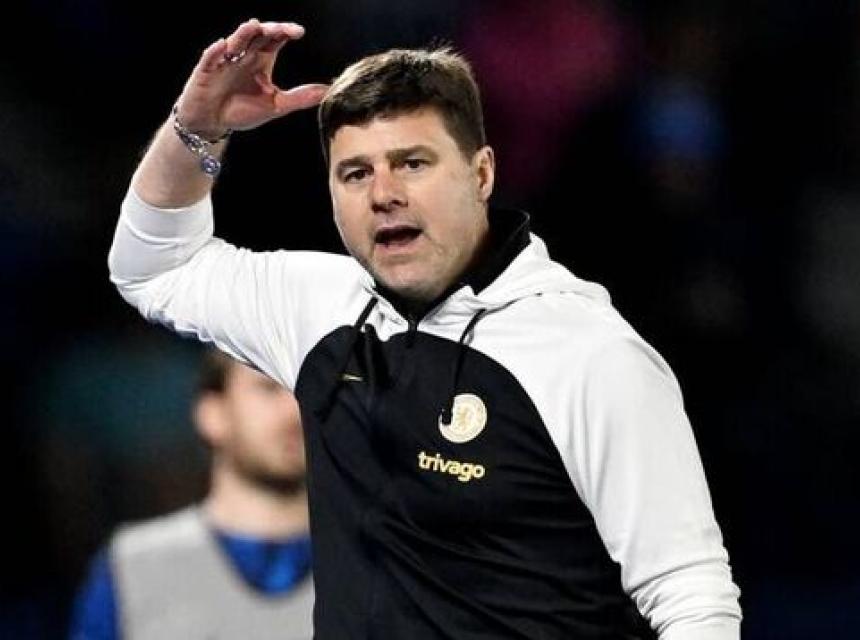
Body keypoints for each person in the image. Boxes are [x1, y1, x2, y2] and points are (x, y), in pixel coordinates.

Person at [108, 18, 742, 639]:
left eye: (412, 163)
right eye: (355, 173)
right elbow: (153, 267)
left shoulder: (588, 353)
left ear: (481, 173)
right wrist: (198, 128)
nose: (383, 194)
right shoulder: (318, 308)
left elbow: (691, 595)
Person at [68, 349, 314, 640]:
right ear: (212, 413)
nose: (293, 410)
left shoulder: (361, 563)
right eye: (268, 388)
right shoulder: (133, 567)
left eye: (308, 390)